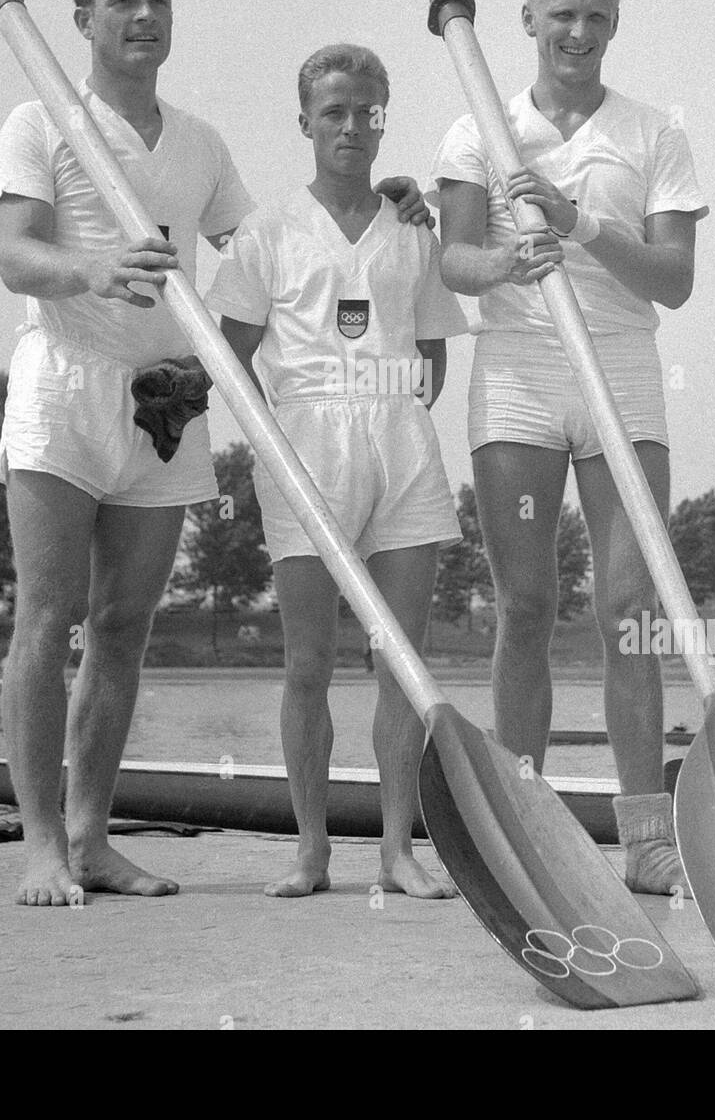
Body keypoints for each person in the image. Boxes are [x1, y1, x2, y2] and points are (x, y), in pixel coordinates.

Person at [0, 0, 430, 907]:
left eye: (158, 2)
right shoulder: (40, 121)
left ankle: (94, 838)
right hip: (65, 382)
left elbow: (276, 241)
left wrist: (384, 200)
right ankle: (39, 849)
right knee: (47, 616)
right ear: (83, 19)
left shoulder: (198, 144)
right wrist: (92, 267)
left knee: (122, 626)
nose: (145, 17)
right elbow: (17, 256)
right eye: (123, 3)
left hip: (167, 401)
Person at [431, 0, 708, 896]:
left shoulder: (653, 133)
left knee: (629, 610)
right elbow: (453, 260)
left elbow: (672, 281)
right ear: (528, 23)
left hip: (620, 377)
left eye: (594, 16)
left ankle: (645, 837)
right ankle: (526, 822)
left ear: (613, 24)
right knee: (527, 605)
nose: (578, 32)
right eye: (562, 16)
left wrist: (578, 222)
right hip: (517, 375)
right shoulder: (479, 129)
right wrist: (511, 259)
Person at [207, 44, 467, 899]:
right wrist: (277, 443)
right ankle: (311, 850)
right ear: (306, 123)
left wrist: (385, 408)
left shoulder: (412, 231)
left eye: (367, 111)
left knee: (400, 661)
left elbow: (431, 354)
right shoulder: (266, 231)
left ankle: (398, 846)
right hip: (301, 450)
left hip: (399, 444)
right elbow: (229, 354)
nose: (352, 127)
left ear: (383, 118)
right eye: (334, 112)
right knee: (307, 663)